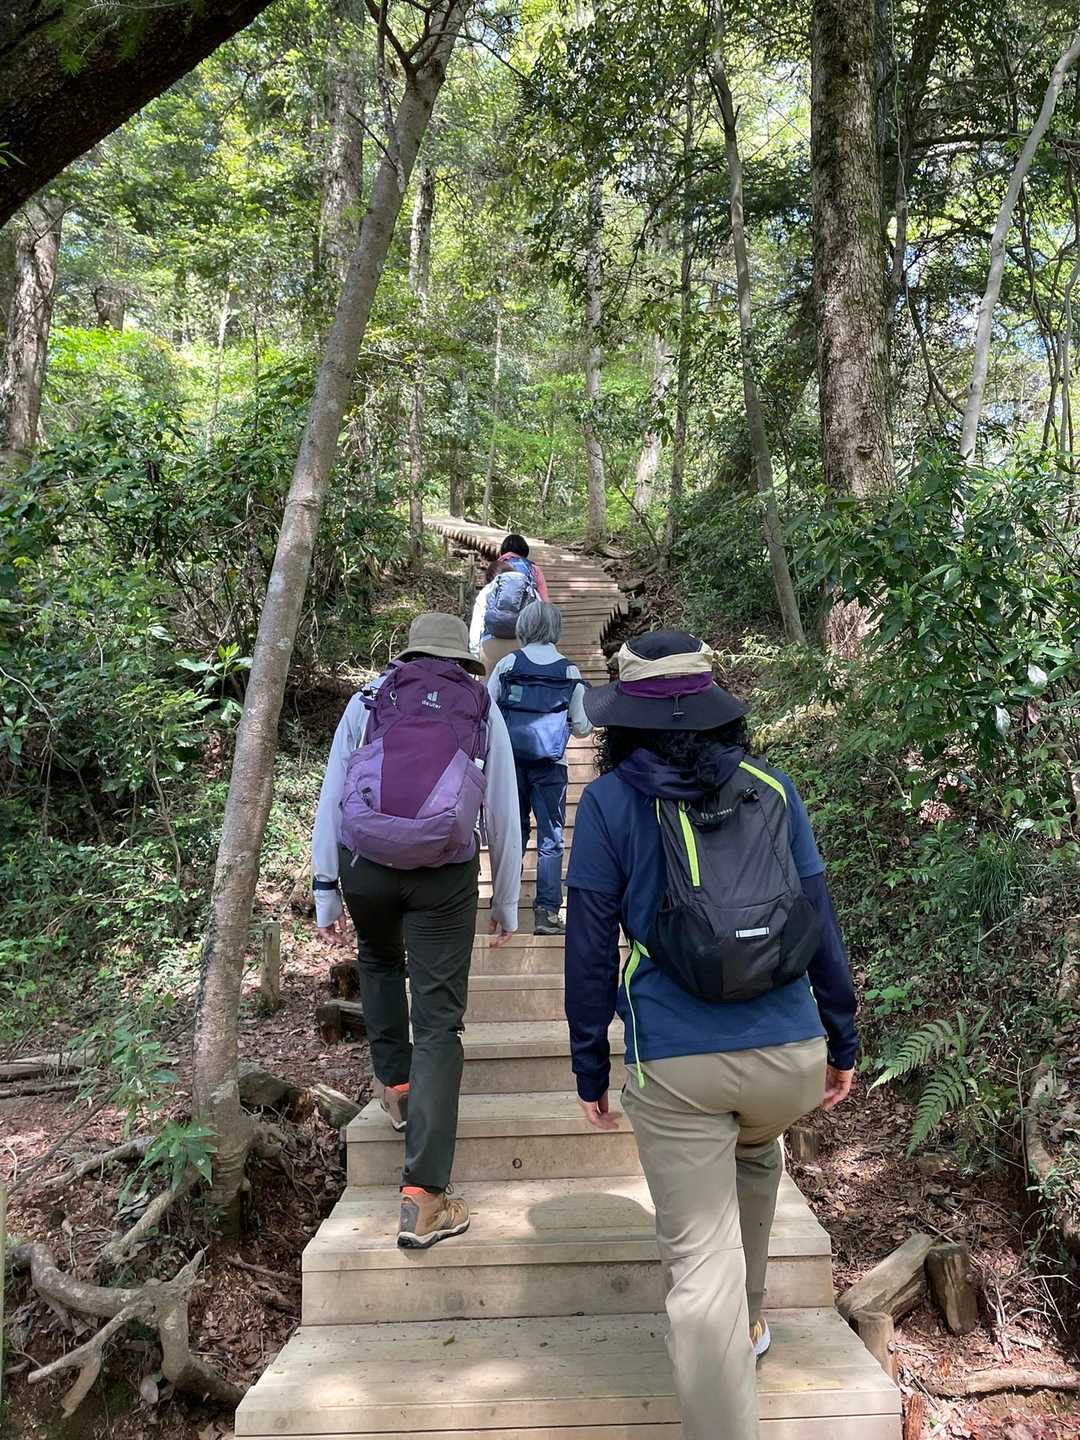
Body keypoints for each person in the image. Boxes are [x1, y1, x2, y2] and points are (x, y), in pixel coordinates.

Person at [563, 631, 857, 1440]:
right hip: (789, 1057)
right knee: (755, 1151)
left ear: (625, 718)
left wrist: (589, 1064)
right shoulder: (773, 787)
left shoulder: (610, 803)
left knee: (700, 1268)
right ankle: (751, 1320)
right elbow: (820, 923)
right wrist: (841, 1041)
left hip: (679, 1066)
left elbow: (589, 948)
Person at [312, 613, 521, 1249]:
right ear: (462, 658)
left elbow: (334, 793)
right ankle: (425, 1198)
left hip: (365, 864)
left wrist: (325, 888)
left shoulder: (368, 699)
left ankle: (398, 1088)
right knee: (438, 1025)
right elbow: (502, 808)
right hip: (443, 874)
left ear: (406, 653)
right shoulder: (480, 706)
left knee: (378, 961)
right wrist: (506, 900)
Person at [487, 601, 592, 936]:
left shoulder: (507, 664)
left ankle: (503, 908)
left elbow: (487, 714)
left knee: (511, 834)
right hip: (551, 766)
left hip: (510, 765)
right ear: (555, 629)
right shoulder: (569, 671)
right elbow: (583, 727)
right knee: (551, 838)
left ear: (523, 627)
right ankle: (547, 913)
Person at [469, 534, 550, 676]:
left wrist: (475, 656)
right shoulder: (533, 569)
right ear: (524, 550)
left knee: (490, 688)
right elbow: (545, 605)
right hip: (524, 643)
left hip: (490, 644)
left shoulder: (495, 570)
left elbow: (477, 624)